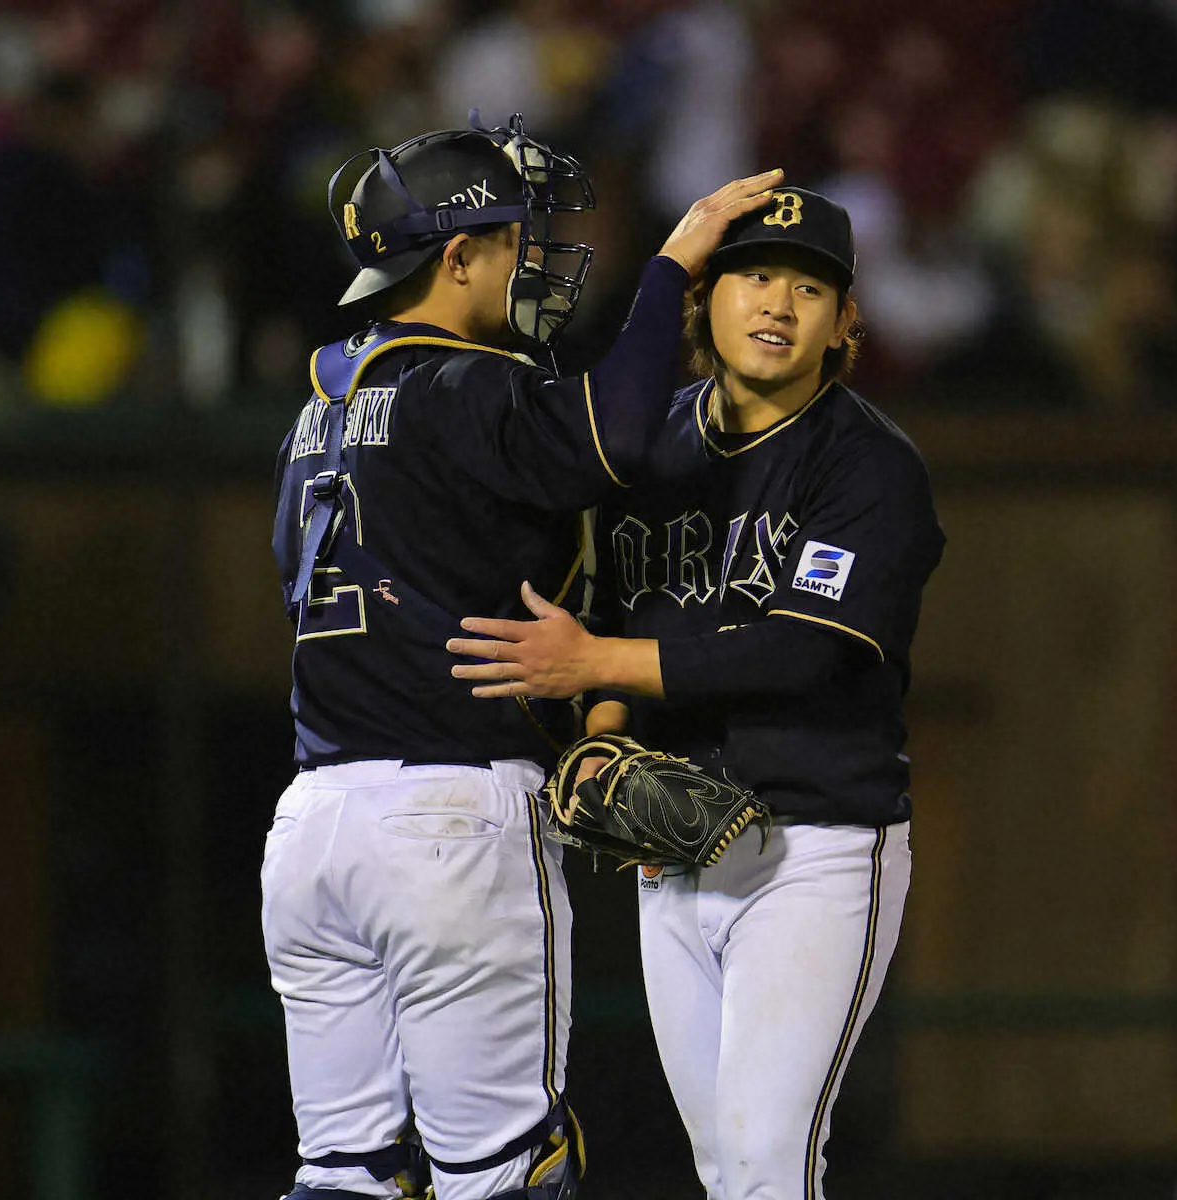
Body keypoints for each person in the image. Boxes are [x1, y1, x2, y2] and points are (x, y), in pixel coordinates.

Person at [267, 109, 783, 1200]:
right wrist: (673, 268)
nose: (529, 259)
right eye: (511, 238)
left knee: (347, 1172)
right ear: (456, 256)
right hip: (448, 818)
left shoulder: (317, 409)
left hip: (313, 829)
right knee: (510, 1174)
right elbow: (621, 431)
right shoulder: (464, 384)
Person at [446, 185, 945, 1199]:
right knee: (725, 1166)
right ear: (705, 297)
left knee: (767, 1163)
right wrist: (604, 735)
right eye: (756, 274)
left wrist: (596, 669)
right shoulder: (648, 447)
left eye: (812, 287)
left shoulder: (870, 466)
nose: (779, 303)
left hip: (816, 847)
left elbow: (805, 653)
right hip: (673, 851)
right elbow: (619, 612)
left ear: (847, 321)